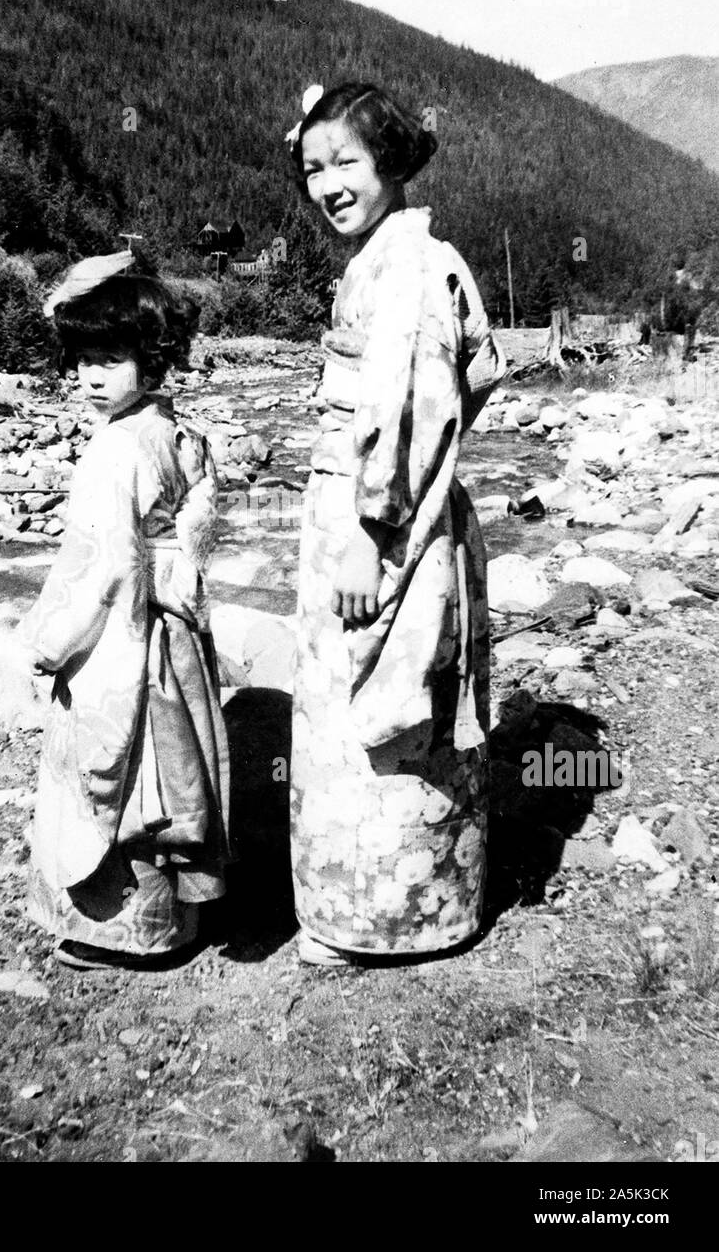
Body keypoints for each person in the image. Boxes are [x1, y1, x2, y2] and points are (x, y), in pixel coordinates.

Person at [286, 82, 506, 965]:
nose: (328, 184)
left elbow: (416, 408)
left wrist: (371, 533)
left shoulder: (409, 267)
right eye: (312, 168)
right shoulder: (388, 256)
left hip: (380, 519)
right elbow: (476, 382)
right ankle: (379, 912)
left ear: (391, 163)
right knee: (364, 706)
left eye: (346, 162)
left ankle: (387, 921)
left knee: (379, 707)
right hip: (372, 504)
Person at [18, 252, 231, 969]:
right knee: (174, 772)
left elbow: (105, 566)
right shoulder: (176, 432)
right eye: (82, 360)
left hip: (125, 638)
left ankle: (135, 937)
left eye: (110, 359)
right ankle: (182, 922)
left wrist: (56, 642)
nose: (89, 375)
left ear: (153, 360)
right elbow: (197, 526)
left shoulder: (112, 450)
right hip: (173, 631)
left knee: (124, 777)